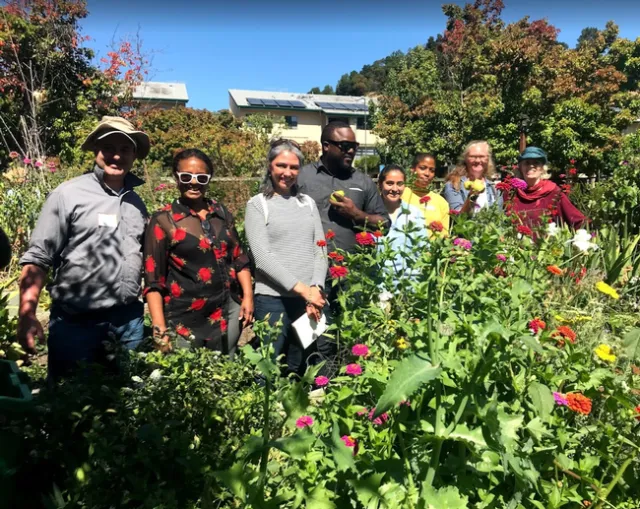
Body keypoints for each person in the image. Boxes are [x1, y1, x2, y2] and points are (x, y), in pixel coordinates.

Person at [18, 116, 150, 379]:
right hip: (76, 323)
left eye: (124, 149)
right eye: (109, 148)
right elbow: (38, 256)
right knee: (71, 404)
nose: (116, 156)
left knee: (125, 407)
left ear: (134, 154)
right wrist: (27, 312)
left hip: (128, 322)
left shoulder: (137, 203)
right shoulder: (67, 195)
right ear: (96, 150)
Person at [143, 148, 253, 356]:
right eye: (186, 176)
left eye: (201, 177)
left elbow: (239, 257)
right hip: (185, 317)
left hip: (227, 312)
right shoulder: (164, 220)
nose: (194, 182)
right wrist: (159, 330)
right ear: (176, 177)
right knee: (189, 380)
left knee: (227, 369)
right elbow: (153, 281)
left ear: (209, 179)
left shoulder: (221, 213)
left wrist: (247, 296)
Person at [245, 140, 327, 376]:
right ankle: (267, 412)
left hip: (308, 301)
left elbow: (320, 248)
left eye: (294, 167)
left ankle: (294, 411)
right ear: (270, 166)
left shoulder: (307, 204)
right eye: (281, 165)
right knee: (269, 365)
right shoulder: (258, 205)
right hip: (273, 300)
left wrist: (316, 288)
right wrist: (303, 289)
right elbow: (262, 257)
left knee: (300, 363)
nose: (287, 173)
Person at [297, 121, 391, 253]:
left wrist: (357, 214)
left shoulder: (363, 182)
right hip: (309, 267)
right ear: (326, 146)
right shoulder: (302, 178)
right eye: (345, 145)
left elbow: (385, 225)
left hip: (352, 269)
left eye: (355, 146)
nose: (352, 151)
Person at [508, 146, 586, 228]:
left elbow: (578, 222)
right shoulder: (512, 193)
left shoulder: (554, 193)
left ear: (543, 168)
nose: (531, 166)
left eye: (536, 163)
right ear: (520, 168)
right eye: (527, 162)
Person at [377, 165, 428, 281]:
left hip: (409, 283)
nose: (395, 189)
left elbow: (423, 249)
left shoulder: (414, 214)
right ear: (380, 184)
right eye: (389, 183)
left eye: (400, 184)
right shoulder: (370, 214)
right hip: (378, 283)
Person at [443, 140, 503, 214]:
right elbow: (458, 218)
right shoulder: (454, 185)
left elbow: (499, 219)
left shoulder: (495, 189)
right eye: (473, 156)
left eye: (482, 156)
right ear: (465, 158)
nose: (477, 160)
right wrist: (472, 196)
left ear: (488, 159)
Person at [401, 153, 450, 235]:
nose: (427, 174)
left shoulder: (441, 202)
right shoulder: (400, 194)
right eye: (423, 168)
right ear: (412, 170)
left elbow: (444, 235)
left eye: (432, 170)